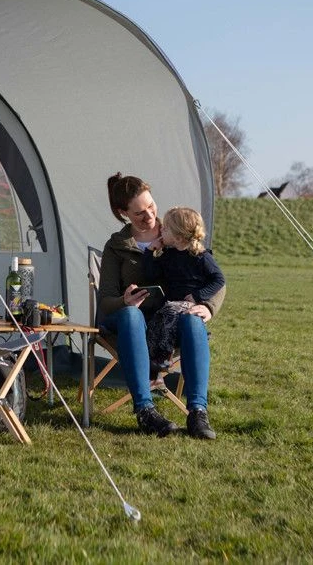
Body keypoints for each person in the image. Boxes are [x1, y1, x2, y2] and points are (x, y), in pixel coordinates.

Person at [98, 174, 224, 439]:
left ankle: (198, 412)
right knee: (131, 315)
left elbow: (213, 276)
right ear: (123, 213)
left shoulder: (178, 230)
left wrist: (208, 306)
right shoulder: (116, 246)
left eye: (151, 206)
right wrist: (124, 300)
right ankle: (145, 410)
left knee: (192, 319)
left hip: (169, 323)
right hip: (128, 324)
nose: (149, 216)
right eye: (139, 213)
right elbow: (106, 301)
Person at [142, 207, 225, 393]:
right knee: (156, 321)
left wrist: (198, 296)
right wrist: (150, 251)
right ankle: (154, 374)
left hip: (188, 307)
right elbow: (150, 275)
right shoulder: (168, 255)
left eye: (166, 228)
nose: (161, 230)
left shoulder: (201, 257)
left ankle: (163, 358)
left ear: (178, 236)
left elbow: (219, 280)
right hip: (169, 306)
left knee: (170, 311)